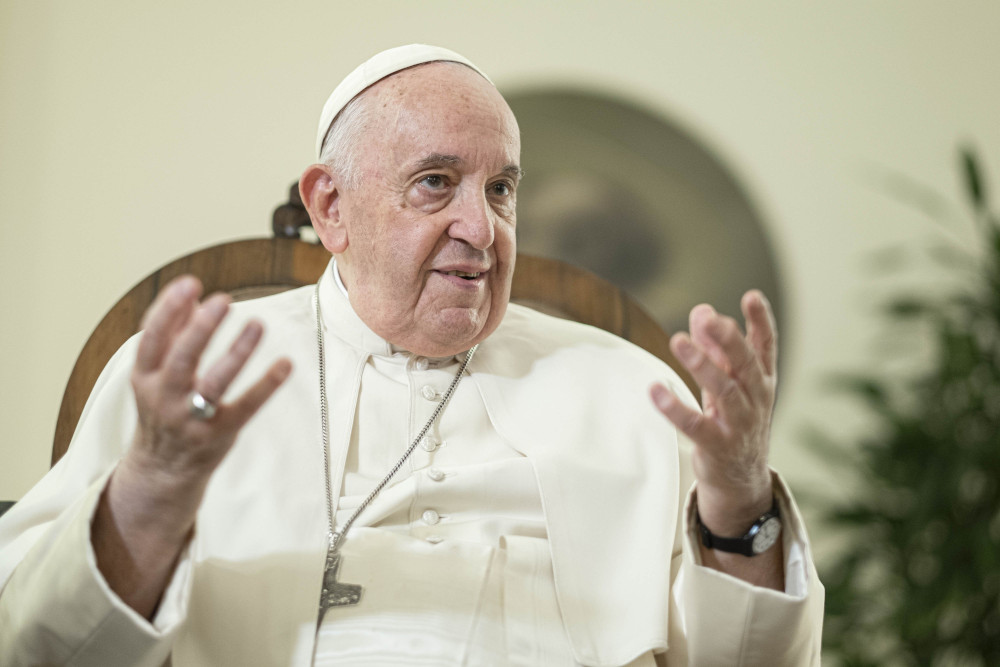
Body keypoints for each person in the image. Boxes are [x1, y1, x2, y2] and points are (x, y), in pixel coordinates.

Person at [0, 45, 823, 666]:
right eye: (436, 182)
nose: (482, 227)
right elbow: (34, 643)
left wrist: (739, 506)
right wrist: (154, 489)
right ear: (331, 205)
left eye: (501, 188)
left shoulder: (631, 390)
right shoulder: (192, 379)